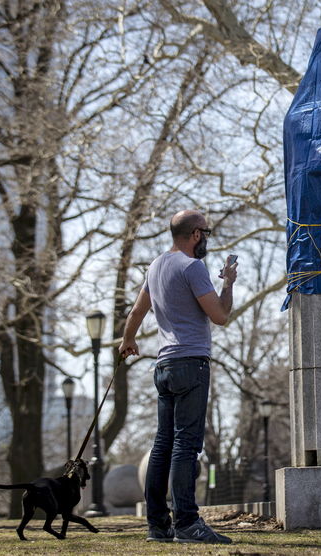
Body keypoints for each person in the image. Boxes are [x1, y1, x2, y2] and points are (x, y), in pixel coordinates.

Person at [119, 209, 238, 544]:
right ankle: (187, 521)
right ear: (196, 234)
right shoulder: (193, 267)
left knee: (163, 445)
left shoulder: (156, 265)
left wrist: (128, 339)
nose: (207, 241)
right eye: (207, 233)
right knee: (186, 445)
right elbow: (220, 316)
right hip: (191, 365)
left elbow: (137, 311)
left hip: (164, 366)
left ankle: (158, 524)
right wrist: (227, 283)